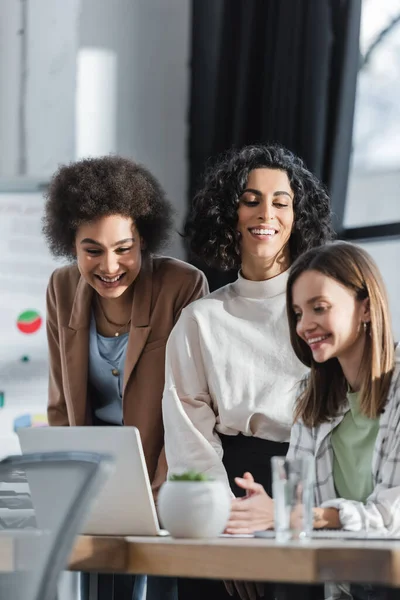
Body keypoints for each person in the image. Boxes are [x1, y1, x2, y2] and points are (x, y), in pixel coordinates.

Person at [162, 143, 335, 599]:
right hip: (223, 491)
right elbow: (188, 438)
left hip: (308, 487)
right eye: (251, 199)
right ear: (230, 213)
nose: (266, 214)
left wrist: (293, 510)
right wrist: (223, 527)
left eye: (281, 202)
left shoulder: (325, 312)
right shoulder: (200, 320)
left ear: (298, 217)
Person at [42, 155, 208, 600]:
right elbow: (60, 405)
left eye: (124, 248)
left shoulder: (182, 285)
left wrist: (161, 497)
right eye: (92, 250)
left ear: (145, 241)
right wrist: (64, 491)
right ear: (70, 246)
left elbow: (190, 409)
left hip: (167, 476)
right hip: (95, 485)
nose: (109, 265)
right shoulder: (61, 288)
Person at [227, 241, 400, 600]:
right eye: (297, 313)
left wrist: (300, 515)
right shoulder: (313, 399)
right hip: (343, 583)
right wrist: (266, 512)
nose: (305, 326)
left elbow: (394, 515)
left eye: (318, 308)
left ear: (365, 308)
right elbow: (299, 508)